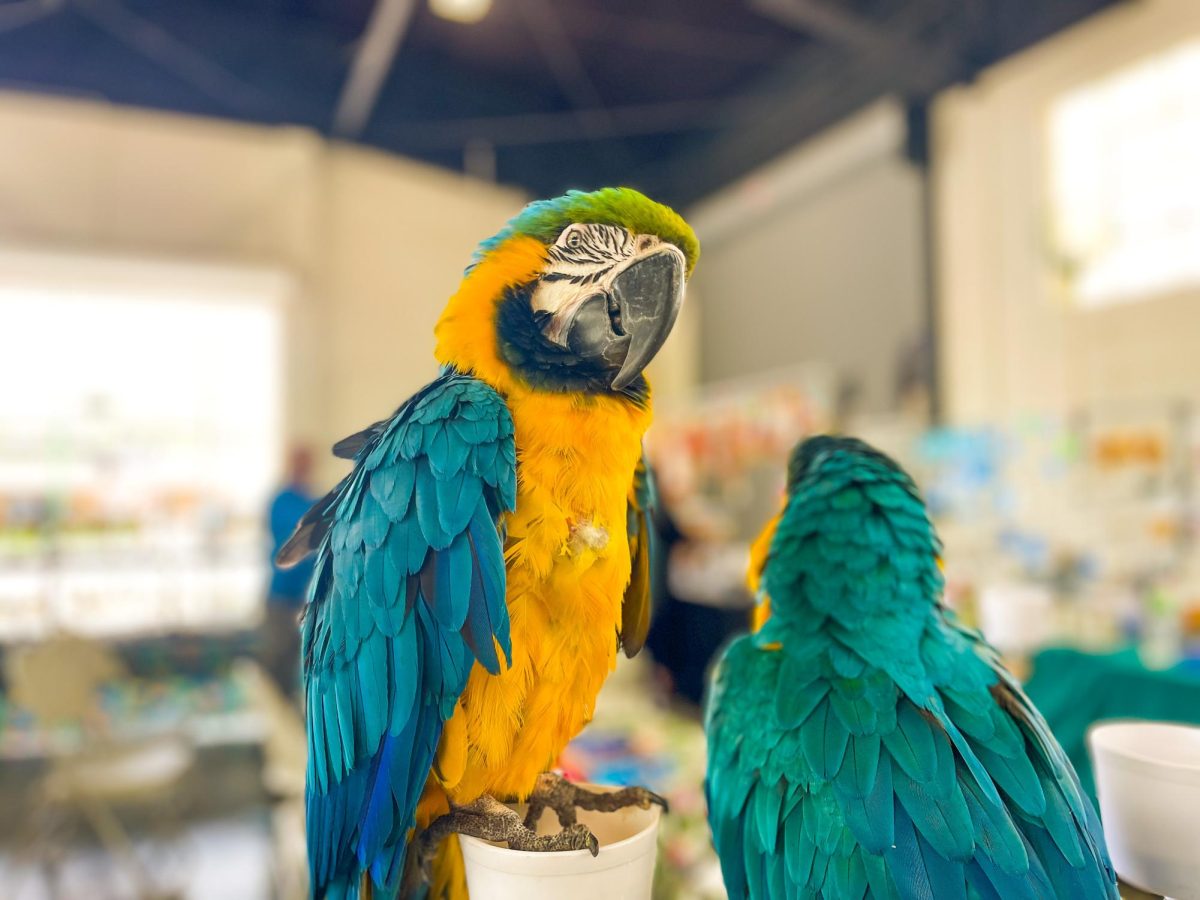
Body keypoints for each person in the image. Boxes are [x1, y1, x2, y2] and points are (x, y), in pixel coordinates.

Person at [262, 445, 316, 699]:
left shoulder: (313, 501)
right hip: (281, 598)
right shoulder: (280, 502)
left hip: (306, 599)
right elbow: (289, 543)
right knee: (277, 660)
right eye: (298, 461)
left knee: (301, 664)